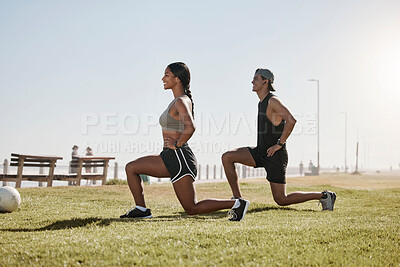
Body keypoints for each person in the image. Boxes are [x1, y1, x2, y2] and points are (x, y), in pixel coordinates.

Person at [121, 62, 249, 221]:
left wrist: (177, 143)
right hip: (169, 156)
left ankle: (237, 203)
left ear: (177, 79)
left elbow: (191, 126)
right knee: (132, 168)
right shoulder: (177, 101)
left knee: (191, 208)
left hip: (179, 158)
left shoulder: (182, 101)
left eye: (167, 75)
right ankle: (141, 209)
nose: (163, 78)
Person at [221, 68, 336, 211]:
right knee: (227, 157)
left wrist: (279, 144)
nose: (252, 81)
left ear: (265, 81)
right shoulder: (261, 102)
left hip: (275, 156)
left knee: (281, 199)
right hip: (261, 152)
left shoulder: (273, 101)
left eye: (256, 78)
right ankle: (238, 201)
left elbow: (291, 120)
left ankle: (324, 196)